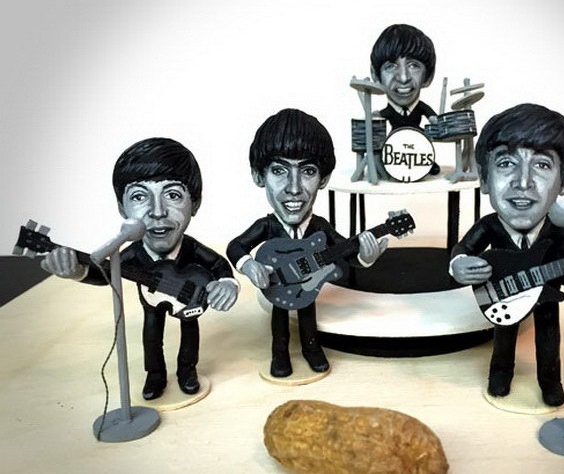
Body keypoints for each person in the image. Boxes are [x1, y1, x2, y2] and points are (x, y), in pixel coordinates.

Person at [40, 138, 238, 400]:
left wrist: (227, 283)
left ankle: (187, 370)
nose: (157, 212)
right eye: (139, 196)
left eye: (173, 195)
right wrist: (78, 272)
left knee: (190, 331)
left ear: (195, 203)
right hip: (152, 305)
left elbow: (218, 264)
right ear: (122, 208)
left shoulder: (191, 248)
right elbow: (106, 274)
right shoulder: (133, 253)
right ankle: (155, 374)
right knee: (151, 336)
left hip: (190, 302)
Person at [449, 104, 564, 406]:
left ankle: (550, 383)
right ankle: (500, 376)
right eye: (506, 163)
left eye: (542, 165)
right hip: (503, 298)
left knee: (549, 339)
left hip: (546, 301)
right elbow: (463, 249)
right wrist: (459, 264)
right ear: (484, 179)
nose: (523, 181)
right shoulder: (489, 226)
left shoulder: (561, 231)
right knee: (503, 338)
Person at [227, 108, 388, 378]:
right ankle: (280, 354)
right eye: (279, 170)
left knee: (307, 317)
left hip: (307, 290)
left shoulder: (320, 228)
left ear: (323, 179)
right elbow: (236, 246)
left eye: (308, 171)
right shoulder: (267, 226)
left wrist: (364, 257)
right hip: (277, 289)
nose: (294, 188)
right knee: (279, 322)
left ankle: (312, 350)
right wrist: (249, 265)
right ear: (258, 176)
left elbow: (344, 251)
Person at [370, 24, 441, 176]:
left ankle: (427, 163)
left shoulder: (421, 107)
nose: (403, 78)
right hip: (395, 141)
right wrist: (376, 116)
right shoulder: (389, 112)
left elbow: (430, 115)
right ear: (375, 75)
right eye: (390, 66)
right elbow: (383, 115)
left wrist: (434, 119)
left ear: (428, 76)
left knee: (423, 146)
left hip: (419, 140)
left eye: (413, 66)